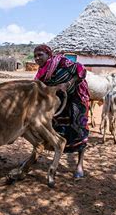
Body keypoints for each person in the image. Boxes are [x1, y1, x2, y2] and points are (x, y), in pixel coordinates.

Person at [33, 44, 89, 178]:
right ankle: (49, 158)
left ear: (48, 54)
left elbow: (81, 70)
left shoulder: (62, 62)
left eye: (40, 54)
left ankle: (80, 164)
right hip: (58, 99)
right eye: (35, 56)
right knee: (54, 127)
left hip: (76, 97)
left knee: (79, 128)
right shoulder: (41, 73)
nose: (37, 58)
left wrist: (68, 83)